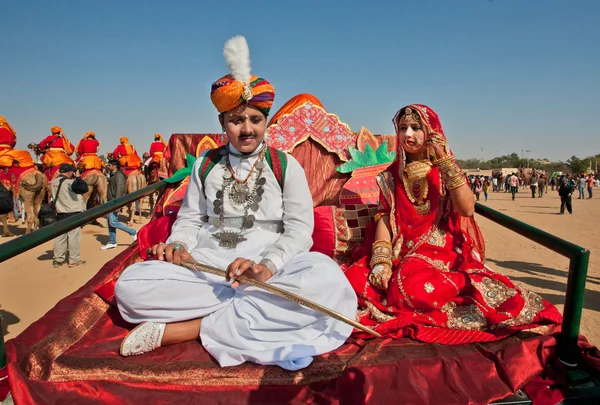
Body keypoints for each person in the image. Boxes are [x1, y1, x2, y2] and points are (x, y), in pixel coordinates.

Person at [113, 35, 356, 370]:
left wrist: (266, 267)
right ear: (222, 123)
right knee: (131, 286)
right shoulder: (205, 165)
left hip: (270, 268)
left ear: (265, 121)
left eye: (255, 120)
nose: (246, 129)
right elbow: (190, 219)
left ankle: (195, 327)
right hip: (208, 268)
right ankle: (243, 317)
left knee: (327, 281)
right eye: (236, 120)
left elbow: (301, 230)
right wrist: (179, 245)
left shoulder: (285, 165)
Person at [342, 104, 560, 342]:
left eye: (416, 128)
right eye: (403, 128)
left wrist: (444, 162)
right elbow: (384, 217)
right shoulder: (389, 176)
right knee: (357, 279)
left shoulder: (445, 171)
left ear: (431, 132)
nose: (407, 134)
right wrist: (381, 261)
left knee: (411, 288)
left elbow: (466, 208)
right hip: (401, 247)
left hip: (441, 249)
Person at [50, 163, 89, 268]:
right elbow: (84, 188)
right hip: (72, 212)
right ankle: (74, 260)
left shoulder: (52, 182)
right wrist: (79, 177)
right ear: (68, 172)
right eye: (72, 171)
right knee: (73, 237)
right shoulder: (70, 183)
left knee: (60, 237)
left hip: (59, 212)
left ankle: (58, 259)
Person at [101, 160, 137, 250]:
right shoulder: (113, 174)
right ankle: (112, 242)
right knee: (110, 222)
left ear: (114, 166)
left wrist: (117, 204)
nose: (107, 167)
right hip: (111, 200)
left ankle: (133, 232)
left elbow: (120, 189)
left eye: (109, 165)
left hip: (114, 201)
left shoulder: (119, 175)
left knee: (113, 222)